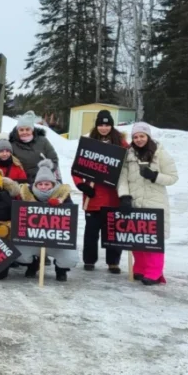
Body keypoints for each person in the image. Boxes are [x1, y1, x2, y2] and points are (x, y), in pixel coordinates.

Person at [117, 122, 178, 285]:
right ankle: (140, 268)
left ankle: (154, 272)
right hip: (135, 202)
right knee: (137, 238)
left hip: (154, 202)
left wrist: (155, 176)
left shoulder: (160, 153)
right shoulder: (128, 155)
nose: (139, 139)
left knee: (153, 240)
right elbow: (122, 178)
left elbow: (173, 177)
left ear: (148, 136)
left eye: (142, 136)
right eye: (135, 137)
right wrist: (124, 196)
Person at [73, 110, 129, 274]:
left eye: (107, 125)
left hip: (114, 196)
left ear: (111, 126)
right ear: (97, 126)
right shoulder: (89, 144)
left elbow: (128, 168)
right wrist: (81, 185)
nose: (104, 128)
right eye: (101, 125)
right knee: (91, 232)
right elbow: (77, 168)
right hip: (94, 196)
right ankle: (89, 260)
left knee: (113, 231)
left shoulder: (122, 144)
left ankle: (113, 262)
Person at [15, 160, 77, 282]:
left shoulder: (63, 195)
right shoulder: (27, 195)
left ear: (53, 184)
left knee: (70, 259)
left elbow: (71, 218)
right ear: (36, 184)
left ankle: (61, 269)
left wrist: (60, 205)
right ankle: (33, 264)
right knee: (18, 253)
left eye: (47, 184)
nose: (43, 187)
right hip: (33, 239)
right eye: (40, 184)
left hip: (57, 240)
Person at [9, 111, 60, 184]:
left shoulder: (42, 141)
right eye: (21, 130)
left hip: (42, 182)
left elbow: (54, 160)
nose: (24, 132)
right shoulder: (12, 145)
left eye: (27, 129)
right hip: (22, 182)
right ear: (17, 131)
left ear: (32, 130)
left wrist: (45, 172)